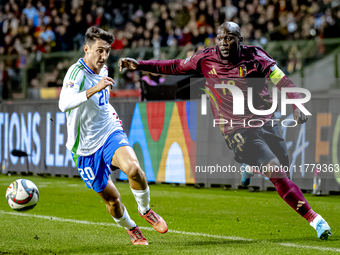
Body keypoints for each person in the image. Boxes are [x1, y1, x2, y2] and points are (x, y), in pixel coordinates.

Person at [118, 21, 332, 240]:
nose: (223, 43)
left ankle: (251, 166)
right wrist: (140, 64)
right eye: (220, 38)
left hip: (265, 121)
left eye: (229, 38)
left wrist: (297, 104)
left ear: (239, 40)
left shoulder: (256, 57)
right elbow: (174, 66)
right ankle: (315, 220)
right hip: (235, 129)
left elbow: (281, 80)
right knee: (276, 172)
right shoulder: (205, 58)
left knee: (285, 173)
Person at [58, 26, 168, 246]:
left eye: (107, 51)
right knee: (113, 200)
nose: (104, 56)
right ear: (86, 49)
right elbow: (63, 104)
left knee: (134, 169)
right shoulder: (76, 72)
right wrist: (93, 89)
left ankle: (146, 210)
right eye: (99, 50)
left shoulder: (105, 69)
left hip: (109, 131)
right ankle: (132, 229)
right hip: (84, 148)